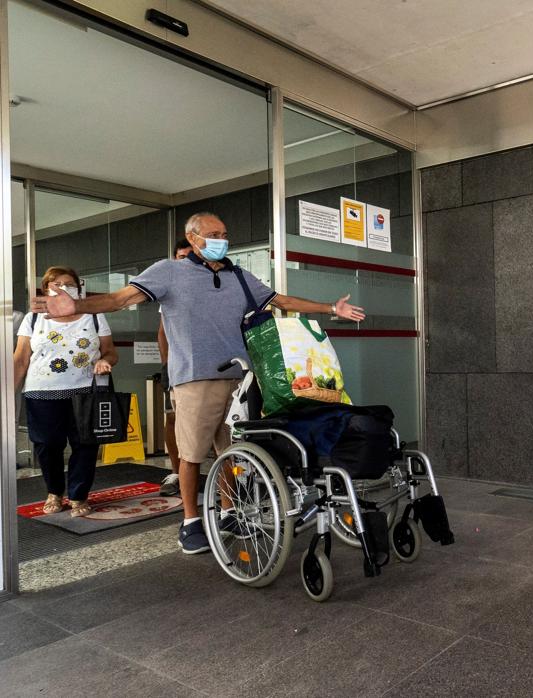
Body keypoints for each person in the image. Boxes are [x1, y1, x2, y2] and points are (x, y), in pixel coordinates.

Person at [33, 212, 365, 554]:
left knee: (232, 452)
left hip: (240, 378)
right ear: (192, 239)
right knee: (191, 454)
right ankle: (190, 521)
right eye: (213, 233)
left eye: (225, 232)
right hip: (193, 378)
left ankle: (228, 510)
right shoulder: (169, 272)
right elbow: (120, 299)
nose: (222, 239)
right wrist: (77, 305)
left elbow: (282, 301)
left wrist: (330, 308)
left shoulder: (239, 276)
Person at [13, 267, 118, 517]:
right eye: (56, 283)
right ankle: (54, 491)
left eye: (69, 284)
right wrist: (6, 394)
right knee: (47, 445)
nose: (63, 287)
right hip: (42, 392)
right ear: (46, 288)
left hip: (85, 391)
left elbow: (111, 352)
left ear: (78, 288)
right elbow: (20, 359)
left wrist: (105, 362)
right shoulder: (34, 318)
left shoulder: (93, 316)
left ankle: (79, 494)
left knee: (85, 445)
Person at [157, 238, 193, 496]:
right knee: (174, 419)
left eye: (190, 256)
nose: (186, 261)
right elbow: (162, 333)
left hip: (215, 368)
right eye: (181, 257)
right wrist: (167, 363)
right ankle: (176, 472)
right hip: (178, 368)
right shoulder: (170, 291)